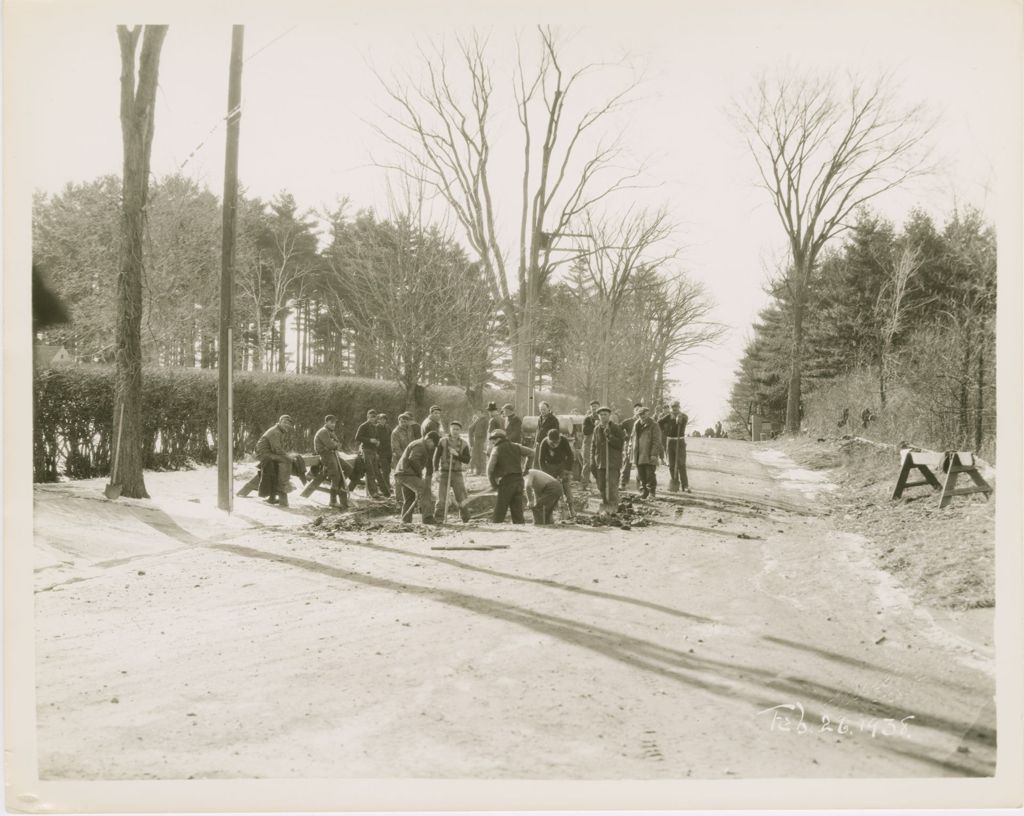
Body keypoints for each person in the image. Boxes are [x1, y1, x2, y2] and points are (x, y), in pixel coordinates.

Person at [486, 428, 534, 524]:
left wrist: (493, 484)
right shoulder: (516, 446)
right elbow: (532, 453)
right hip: (519, 481)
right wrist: (526, 468)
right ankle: (520, 532)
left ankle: (495, 531)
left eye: (493, 440)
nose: (492, 442)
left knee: (500, 510)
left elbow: (489, 469)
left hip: (507, 482)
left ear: (498, 439)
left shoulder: (497, 449)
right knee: (517, 511)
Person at [394, 431, 439, 524]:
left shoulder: (421, 444)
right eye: (434, 444)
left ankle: (406, 520)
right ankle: (427, 518)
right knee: (424, 489)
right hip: (406, 474)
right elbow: (413, 460)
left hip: (403, 473)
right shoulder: (420, 445)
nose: (433, 447)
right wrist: (419, 474)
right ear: (429, 440)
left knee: (409, 497)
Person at [433, 420, 472, 522]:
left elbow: (467, 460)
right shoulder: (442, 441)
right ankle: (439, 518)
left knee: (462, 496)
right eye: (453, 429)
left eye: (457, 429)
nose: (455, 431)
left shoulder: (464, 443)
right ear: (450, 429)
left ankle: (465, 518)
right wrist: (436, 471)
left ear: (460, 431)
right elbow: (436, 457)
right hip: (444, 472)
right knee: (442, 497)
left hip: (457, 473)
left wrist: (457, 454)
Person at [255, 414, 296, 507]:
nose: (286, 425)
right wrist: (288, 456)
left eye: (288, 423)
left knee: (288, 460)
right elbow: (277, 449)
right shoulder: (275, 432)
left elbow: (279, 448)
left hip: (270, 453)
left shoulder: (280, 431)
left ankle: (276, 493)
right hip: (264, 454)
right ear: (280, 422)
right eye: (284, 422)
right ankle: (283, 485)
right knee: (287, 460)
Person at [591, 406, 624, 514]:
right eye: (601, 415)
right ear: (598, 416)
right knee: (601, 485)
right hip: (600, 462)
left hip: (612, 462)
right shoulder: (596, 429)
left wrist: (609, 436)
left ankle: (613, 506)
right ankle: (605, 504)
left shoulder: (615, 428)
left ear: (609, 415)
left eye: (605, 414)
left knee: (612, 485)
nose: (603, 416)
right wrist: (592, 460)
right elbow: (593, 446)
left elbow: (620, 444)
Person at [537, 426, 575, 520]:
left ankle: (571, 509)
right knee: (551, 487)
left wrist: (567, 470)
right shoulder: (544, 442)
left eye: (556, 442)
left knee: (566, 486)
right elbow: (541, 460)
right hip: (549, 466)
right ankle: (552, 510)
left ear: (559, 438)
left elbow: (570, 455)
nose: (554, 444)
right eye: (552, 443)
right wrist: (545, 473)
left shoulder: (564, 440)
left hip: (562, 465)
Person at [313, 414, 347, 509]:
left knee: (348, 468)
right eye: (331, 422)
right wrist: (334, 444)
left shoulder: (331, 432)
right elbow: (332, 445)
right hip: (325, 455)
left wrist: (334, 444)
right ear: (326, 422)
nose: (333, 424)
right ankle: (333, 501)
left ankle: (340, 489)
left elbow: (338, 444)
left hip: (332, 454)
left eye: (334, 423)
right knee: (336, 476)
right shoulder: (323, 431)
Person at [631, 405, 663, 499]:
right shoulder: (636, 424)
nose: (642, 417)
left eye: (644, 415)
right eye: (640, 415)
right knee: (640, 474)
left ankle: (651, 492)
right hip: (638, 453)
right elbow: (632, 438)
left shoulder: (654, 425)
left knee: (650, 474)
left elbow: (656, 441)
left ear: (647, 414)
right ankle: (643, 492)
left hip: (649, 454)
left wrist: (653, 454)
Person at [660, 400, 690, 492]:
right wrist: (665, 431)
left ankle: (685, 485)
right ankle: (674, 481)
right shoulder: (668, 416)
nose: (674, 409)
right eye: (673, 407)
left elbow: (684, 420)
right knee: (671, 464)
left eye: (676, 407)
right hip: (670, 441)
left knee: (681, 464)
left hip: (679, 441)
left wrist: (679, 419)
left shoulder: (684, 416)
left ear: (679, 407)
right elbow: (659, 422)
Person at [619, 403, 643, 490]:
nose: (638, 411)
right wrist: (624, 437)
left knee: (640, 464)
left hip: (641, 446)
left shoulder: (644, 421)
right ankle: (623, 483)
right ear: (633, 411)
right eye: (636, 409)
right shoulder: (628, 421)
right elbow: (618, 429)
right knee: (627, 464)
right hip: (629, 445)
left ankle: (639, 485)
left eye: (640, 409)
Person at [390, 412, 417, 486]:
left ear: (407, 422)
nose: (403, 423)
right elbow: (396, 448)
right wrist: (404, 457)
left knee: (409, 477)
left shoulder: (410, 429)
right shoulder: (395, 432)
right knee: (399, 477)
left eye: (405, 421)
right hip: (399, 457)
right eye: (401, 421)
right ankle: (399, 497)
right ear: (398, 421)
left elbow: (413, 441)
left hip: (409, 456)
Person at [581, 399, 601, 488]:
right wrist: (595, 426)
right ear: (590, 408)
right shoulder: (587, 419)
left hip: (599, 444)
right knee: (587, 464)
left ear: (599, 408)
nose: (594, 409)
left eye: (596, 407)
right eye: (592, 407)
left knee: (598, 463)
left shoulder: (602, 418)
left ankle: (600, 484)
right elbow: (585, 431)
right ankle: (584, 484)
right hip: (588, 443)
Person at [533, 401, 560, 465]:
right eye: (541, 410)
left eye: (544, 409)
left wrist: (551, 444)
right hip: (539, 443)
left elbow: (556, 433)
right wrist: (535, 442)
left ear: (548, 409)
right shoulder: (540, 418)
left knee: (546, 462)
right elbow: (538, 430)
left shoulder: (553, 419)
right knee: (536, 462)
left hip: (547, 444)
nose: (542, 411)